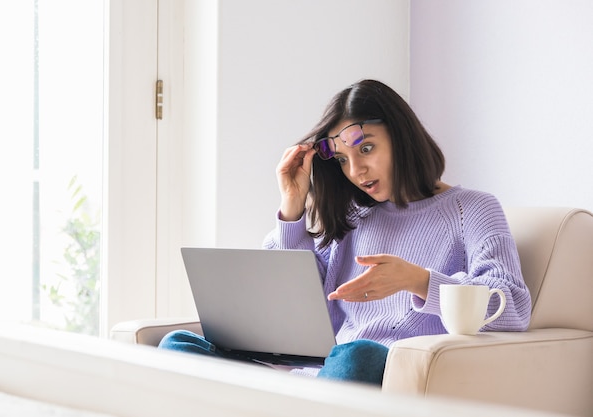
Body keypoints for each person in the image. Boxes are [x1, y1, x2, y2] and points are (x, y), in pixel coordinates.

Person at [158, 79, 532, 386]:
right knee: (177, 345)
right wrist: (293, 205)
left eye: (366, 149)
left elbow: (513, 306)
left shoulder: (473, 209)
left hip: (367, 370)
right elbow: (294, 303)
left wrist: (417, 280)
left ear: (402, 139)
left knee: (359, 353)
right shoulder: (354, 215)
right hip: (311, 375)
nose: (355, 171)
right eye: (341, 160)